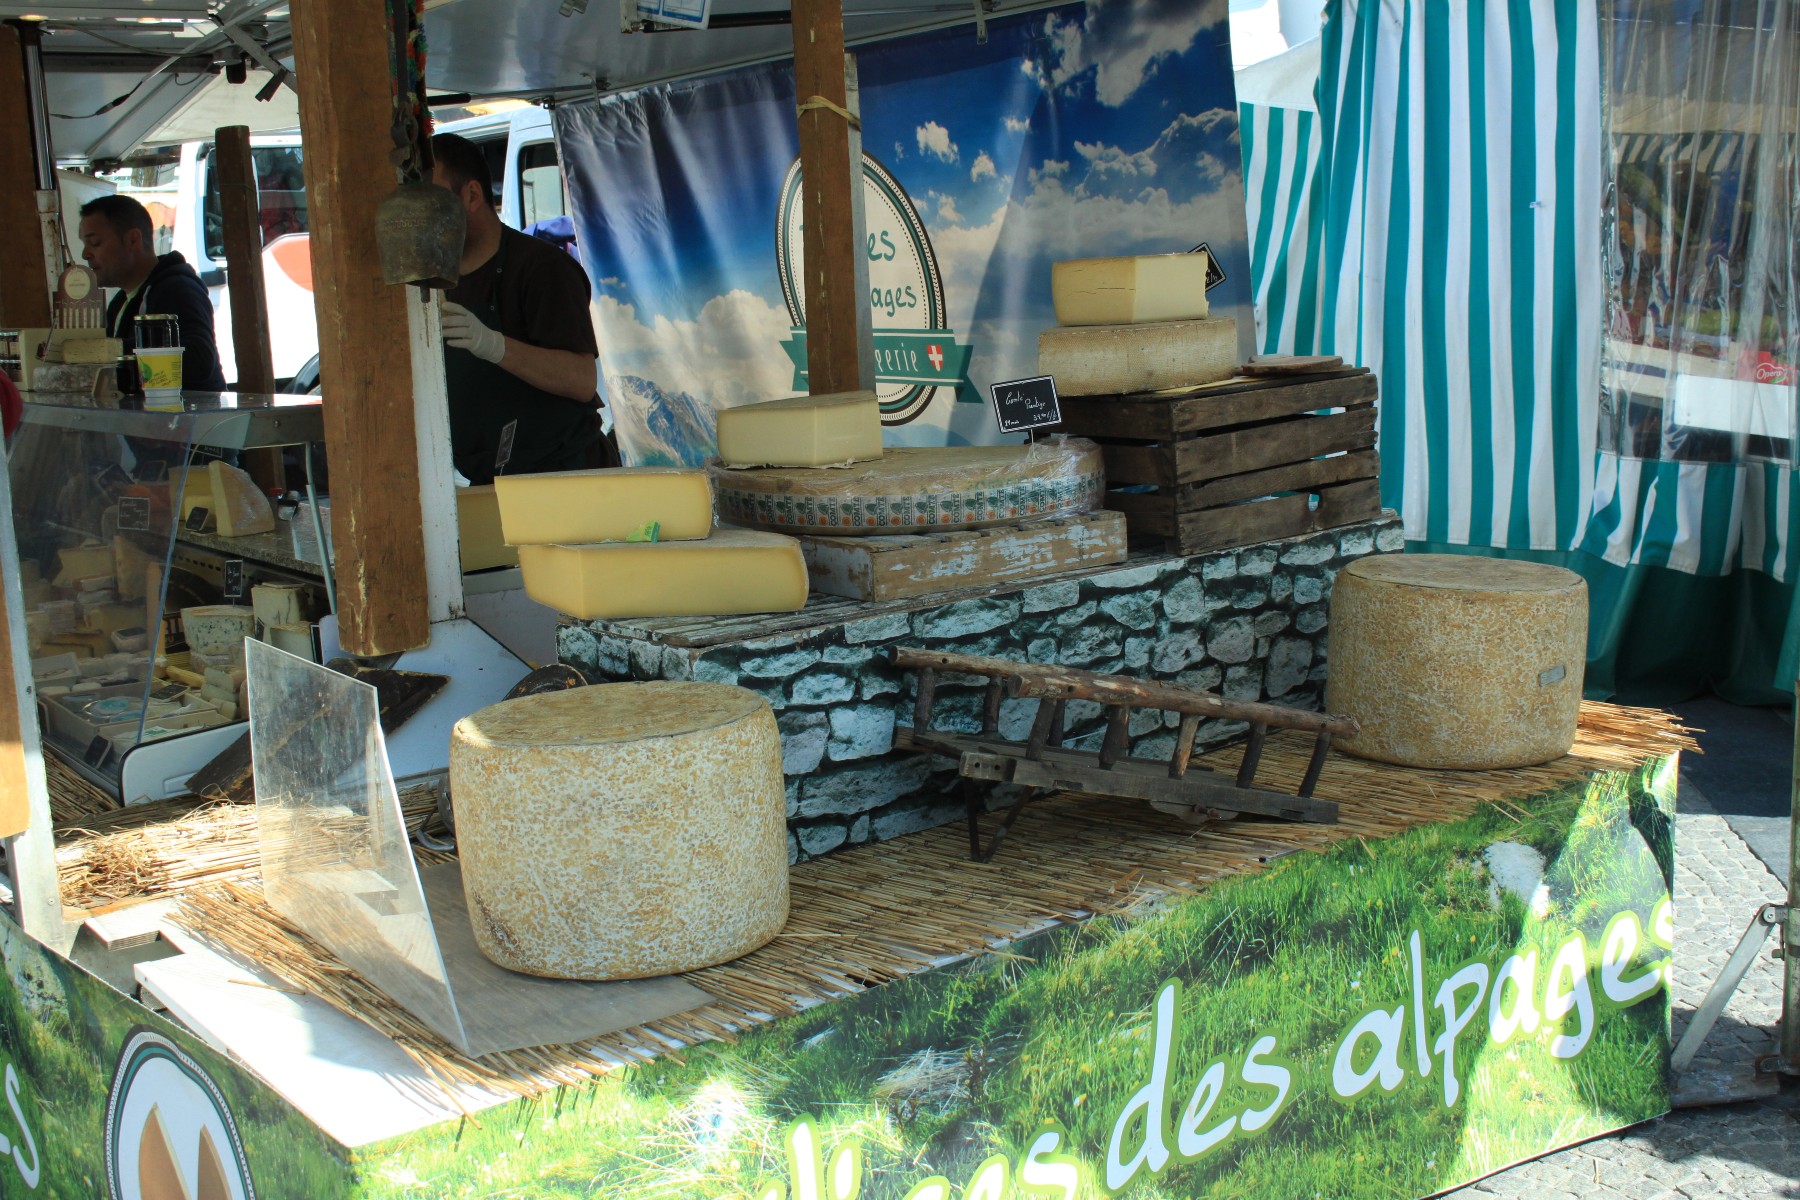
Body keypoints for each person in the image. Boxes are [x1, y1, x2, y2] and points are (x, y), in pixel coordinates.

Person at [432, 132, 605, 483]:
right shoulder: (432, 283)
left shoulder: (541, 268)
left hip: (565, 476)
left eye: (430, 202)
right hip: (489, 482)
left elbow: (582, 380)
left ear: (471, 195)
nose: (422, 218)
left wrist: (494, 345)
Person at [77, 195, 229, 393]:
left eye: (95, 243)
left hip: (193, 420)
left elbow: (199, 360)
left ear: (133, 240)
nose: (85, 254)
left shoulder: (178, 289)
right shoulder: (120, 302)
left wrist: (112, 351)